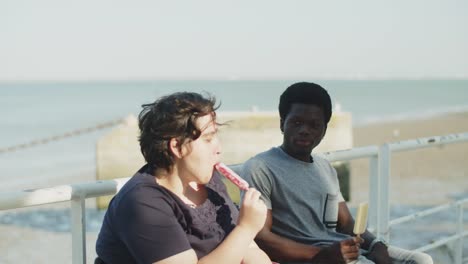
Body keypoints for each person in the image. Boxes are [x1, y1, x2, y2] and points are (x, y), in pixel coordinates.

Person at [242, 82, 434, 264]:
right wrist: (322, 255)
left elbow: (347, 223)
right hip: (314, 257)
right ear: (283, 124)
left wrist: (376, 245)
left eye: (314, 125)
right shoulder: (260, 167)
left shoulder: (325, 168)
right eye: (297, 122)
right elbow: (261, 236)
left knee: (420, 260)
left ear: (324, 130)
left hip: (343, 249)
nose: (304, 131)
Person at [96, 92, 270, 264]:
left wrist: (246, 233)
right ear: (177, 147)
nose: (219, 148)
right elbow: (241, 237)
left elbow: (248, 250)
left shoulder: (209, 182)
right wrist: (246, 228)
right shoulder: (143, 202)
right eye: (208, 139)